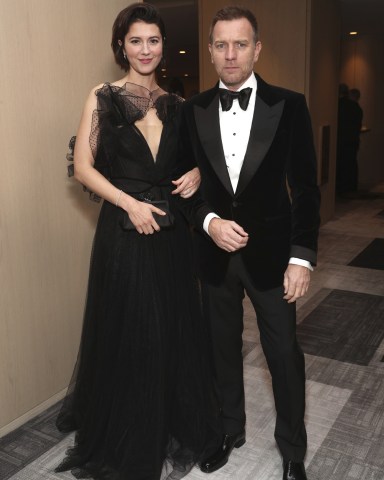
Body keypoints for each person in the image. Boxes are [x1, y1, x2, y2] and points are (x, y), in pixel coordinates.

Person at [55, 4, 220, 480]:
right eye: (135, 40)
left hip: (169, 234)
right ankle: (128, 432)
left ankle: (165, 418)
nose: (145, 49)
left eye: (153, 40)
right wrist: (128, 204)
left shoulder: (177, 102)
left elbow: (190, 163)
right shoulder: (101, 96)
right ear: (121, 46)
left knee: (170, 328)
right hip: (124, 234)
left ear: (163, 46)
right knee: (130, 330)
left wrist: (192, 172)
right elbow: (84, 168)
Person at [177, 6, 320, 480]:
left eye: (241, 44)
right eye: (221, 44)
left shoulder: (290, 104)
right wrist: (210, 221)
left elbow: (306, 188)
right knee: (220, 348)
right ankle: (227, 430)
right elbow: (183, 190)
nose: (231, 54)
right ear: (211, 51)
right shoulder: (192, 110)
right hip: (215, 258)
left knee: (283, 354)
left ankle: (293, 450)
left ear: (257, 49)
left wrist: (302, 257)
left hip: (274, 257)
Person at [336, 84, 363, 194]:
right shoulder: (356, 107)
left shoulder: (338, 105)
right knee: (351, 163)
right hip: (353, 140)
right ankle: (351, 187)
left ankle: (341, 188)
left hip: (341, 140)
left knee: (341, 163)